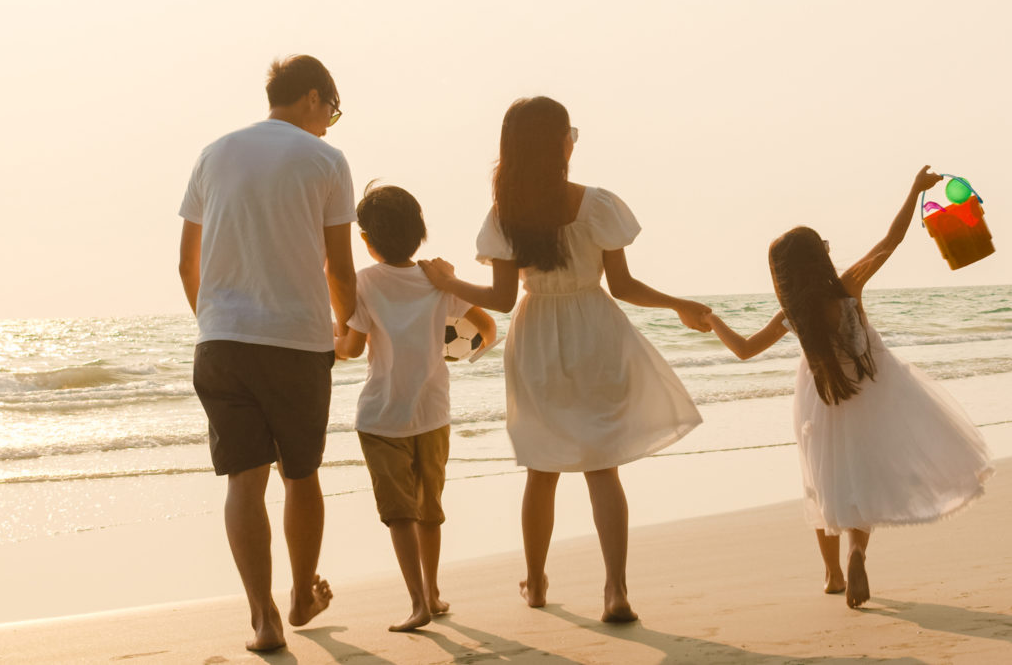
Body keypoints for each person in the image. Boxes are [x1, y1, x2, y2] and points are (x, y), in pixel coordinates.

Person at [419, 96, 709, 623]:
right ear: (558, 143)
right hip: (595, 330)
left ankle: (535, 583)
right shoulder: (596, 203)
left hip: (537, 336)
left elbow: (503, 300)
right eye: (569, 130)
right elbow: (622, 286)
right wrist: (678, 303)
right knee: (602, 468)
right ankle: (616, 590)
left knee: (541, 468)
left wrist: (448, 282)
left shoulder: (505, 213)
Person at [705, 165, 994, 609]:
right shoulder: (848, 286)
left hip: (820, 397)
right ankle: (857, 552)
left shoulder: (793, 314)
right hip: (869, 389)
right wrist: (915, 189)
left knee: (821, 481)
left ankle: (832, 574)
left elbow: (745, 350)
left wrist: (712, 321)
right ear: (817, 259)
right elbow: (891, 241)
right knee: (863, 476)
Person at [177, 55, 356, 652]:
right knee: (300, 474)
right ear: (312, 97)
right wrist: (348, 328)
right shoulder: (326, 160)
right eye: (330, 108)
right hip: (296, 342)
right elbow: (339, 268)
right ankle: (303, 593)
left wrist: (215, 322)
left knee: (242, 482)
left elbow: (187, 263)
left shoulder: (214, 152)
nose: (330, 122)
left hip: (221, 340)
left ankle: (264, 618)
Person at [333, 183, 496, 632]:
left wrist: (328, 340)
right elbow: (487, 328)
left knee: (399, 515)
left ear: (365, 240)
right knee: (430, 510)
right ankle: (435, 593)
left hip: (382, 416)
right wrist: (460, 354)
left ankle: (418, 602)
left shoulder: (364, 283)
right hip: (433, 413)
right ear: (420, 231)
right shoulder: (436, 280)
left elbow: (350, 347)